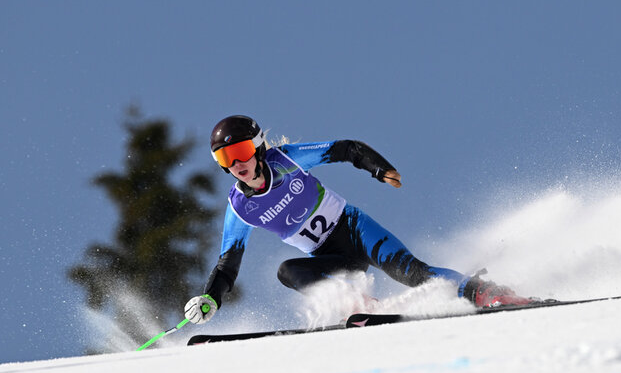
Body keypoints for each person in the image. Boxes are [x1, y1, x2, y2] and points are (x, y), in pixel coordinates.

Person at [183, 115, 528, 325]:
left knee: (415, 273)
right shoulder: (240, 207)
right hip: (330, 259)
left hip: (355, 230)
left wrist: (378, 168)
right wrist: (211, 298)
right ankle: (361, 305)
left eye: (241, 152)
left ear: (257, 149)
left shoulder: (285, 160)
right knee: (288, 271)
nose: (236, 164)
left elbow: (347, 148)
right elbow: (228, 264)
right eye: (225, 158)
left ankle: (484, 292)